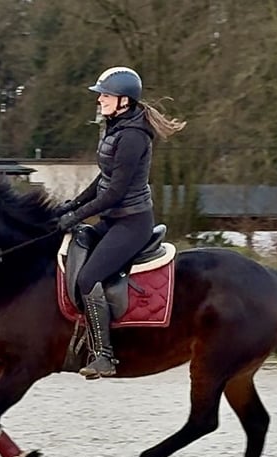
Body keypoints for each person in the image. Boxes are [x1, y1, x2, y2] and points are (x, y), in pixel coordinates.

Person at [54, 66, 186, 379]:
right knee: (79, 240)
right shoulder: (116, 127)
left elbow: (114, 193)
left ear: (123, 100)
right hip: (114, 220)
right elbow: (104, 178)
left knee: (88, 279)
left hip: (131, 224)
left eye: (105, 95)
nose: (99, 99)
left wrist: (78, 214)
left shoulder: (132, 136)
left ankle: (104, 356)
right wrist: (73, 204)